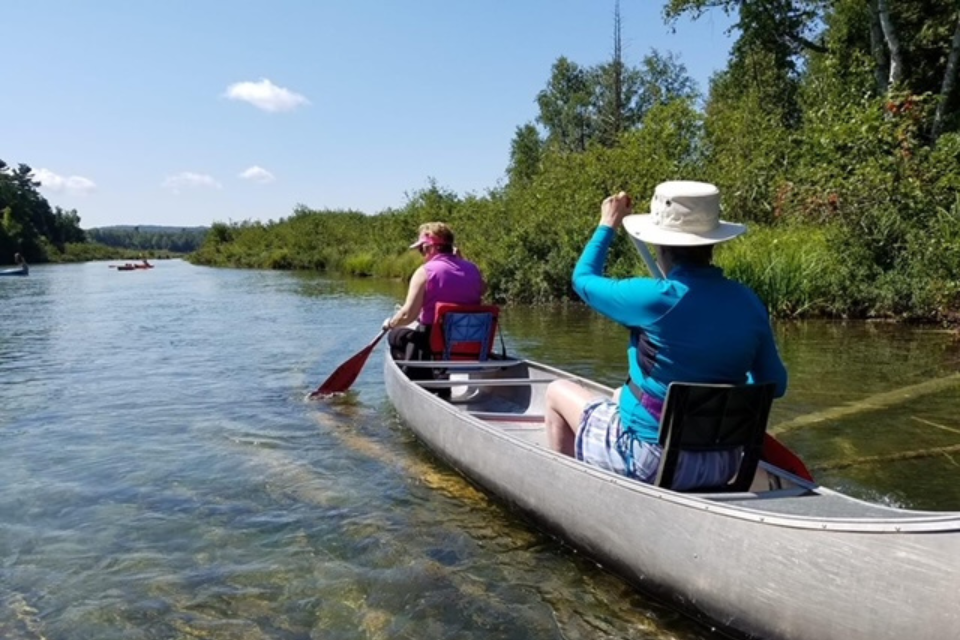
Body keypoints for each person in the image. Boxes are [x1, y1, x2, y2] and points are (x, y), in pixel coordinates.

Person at [545, 181, 788, 491]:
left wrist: (608, 223)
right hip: (721, 464)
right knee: (619, 397)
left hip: (650, 461)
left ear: (659, 245)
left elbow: (582, 280)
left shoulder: (652, 298)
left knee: (555, 392)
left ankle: (564, 494)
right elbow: (775, 385)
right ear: (711, 244)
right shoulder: (749, 301)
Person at [383, 222, 485, 370]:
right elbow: (483, 289)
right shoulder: (473, 269)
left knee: (396, 336)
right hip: (471, 339)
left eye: (421, 250)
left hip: (434, 341)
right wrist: (461, 260)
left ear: (428, 247)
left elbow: (408, 315)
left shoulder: (424, 272)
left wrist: (390, 324)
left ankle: (416, 375)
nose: (422, 255)